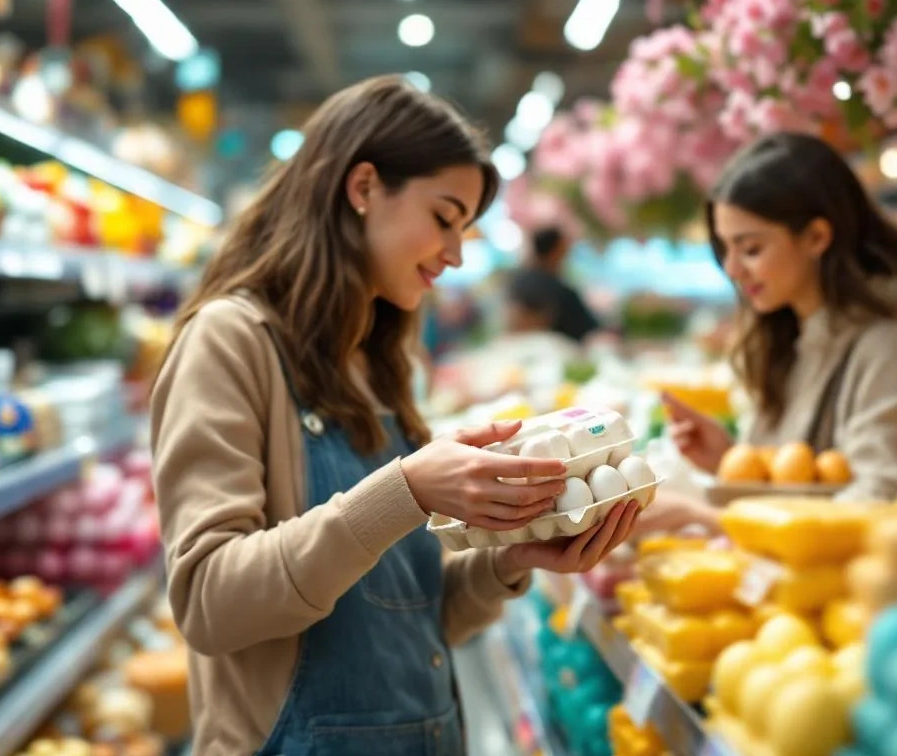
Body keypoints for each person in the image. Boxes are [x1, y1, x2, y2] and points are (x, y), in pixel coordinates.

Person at [150, 76, 641, 756]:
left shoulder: (376, 359)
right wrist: (404, 490)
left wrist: (510, 562)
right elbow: (209, 603)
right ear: (364, 188)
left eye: (466, 227)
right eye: (444, 218)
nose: (458, 251)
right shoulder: (230, 342)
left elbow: (409, 616)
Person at [661, 132, 897, 507]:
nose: (732, 269)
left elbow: (884, 503)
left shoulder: (896, 348)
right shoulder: (787, 338)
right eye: (724, 248)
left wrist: (697, 515)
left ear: (816, 237)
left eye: (750, 249)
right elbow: (806, 485)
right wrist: (730, 462)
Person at [504, 226, 600, 342]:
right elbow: (591, 330)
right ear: (556, 251)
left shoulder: (517, 282)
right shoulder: (559, 291)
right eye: (565, 249)